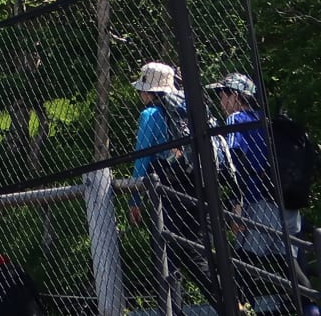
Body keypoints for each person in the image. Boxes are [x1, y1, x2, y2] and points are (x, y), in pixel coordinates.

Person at [212, 73, 303, 312]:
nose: (220, 100)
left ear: (236, 96)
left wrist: (236, 203)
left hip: (258, 202)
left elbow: (235, 162)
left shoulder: (236, 119)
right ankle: (306, 307)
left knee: (244, 265)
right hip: (288, 202)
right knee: (288, 269)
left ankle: (245, 309)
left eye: (222, 94)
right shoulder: (267, 121)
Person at [129, 61, 216, 300]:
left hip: (167, 190)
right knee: (198, 254)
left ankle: (171, 310)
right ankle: (231, 304)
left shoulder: (150, 115)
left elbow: (142, 158)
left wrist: (134, 199)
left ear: (148, 91)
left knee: (166, 258)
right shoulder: (190, 112)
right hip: (197, 185)